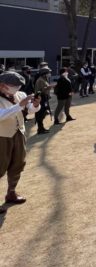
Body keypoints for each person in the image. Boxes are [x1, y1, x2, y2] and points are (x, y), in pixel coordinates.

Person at [0, 71, 41, 213]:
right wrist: (19, 105)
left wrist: (35, 105)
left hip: (19, 133)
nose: (17, 88)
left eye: (19, 86)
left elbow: (30, 110)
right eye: (14, 86)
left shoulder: (20, 94)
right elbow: (1, 115)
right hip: (2, 136)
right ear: (3, 85)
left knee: (18, 163)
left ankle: (11, 193)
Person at [34, 67, 53, 134]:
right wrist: (48, 87)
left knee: (43, 113)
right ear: (44, 73)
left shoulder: (44, 79)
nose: (49, 74)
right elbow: (41, 90)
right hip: (41, 99)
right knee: (40, 113)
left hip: (44, 98)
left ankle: (41, 128)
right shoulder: (40, 80)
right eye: (48, 73)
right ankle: (40, 129)